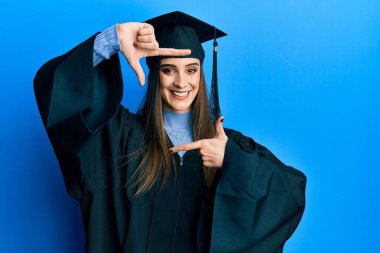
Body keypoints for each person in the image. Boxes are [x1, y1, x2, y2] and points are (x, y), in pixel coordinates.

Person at [34, 11, 306, 253]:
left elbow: (289, 192)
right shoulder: (119, 137)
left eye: (191, 70)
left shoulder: (226, 145)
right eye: (168, 70)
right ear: (155, 76)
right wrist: (111, 40)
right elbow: (57, 93)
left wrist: (232, 161)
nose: (181, 82)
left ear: (201, 75)